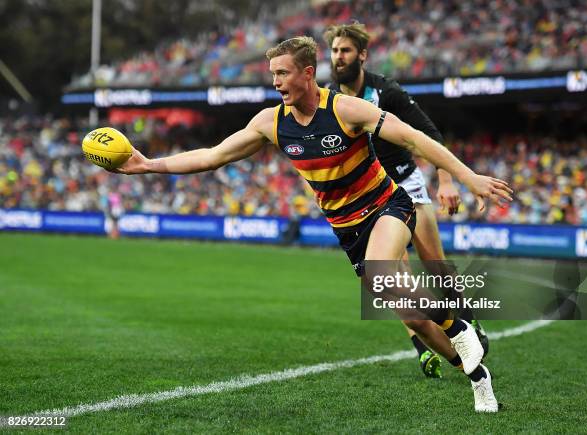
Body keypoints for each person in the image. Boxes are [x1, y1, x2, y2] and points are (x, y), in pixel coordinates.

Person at [116, 36, 511, 412]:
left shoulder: (345, 110)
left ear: (307, 73)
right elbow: (212, 156)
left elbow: (414, 138)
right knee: (414, 320)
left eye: (282, 73)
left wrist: (467, 177)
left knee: (380, 276)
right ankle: (478, 378)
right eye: (272, 74)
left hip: (388, 205)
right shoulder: (271, 123)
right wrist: (149, 165)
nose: (275, 82)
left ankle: (459, 328)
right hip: (347, 229)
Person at [324, 22, 489, 379]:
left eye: (346, 50)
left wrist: (445, 180)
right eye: (335, 50)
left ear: (362, 55)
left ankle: (471, 327)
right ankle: (423, 345)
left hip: (406, 184)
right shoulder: (329, 99)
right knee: (393, 278)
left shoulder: (387, 92)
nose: (339, 57)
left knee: (435, 264)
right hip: (372, 197)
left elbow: (427, 135)